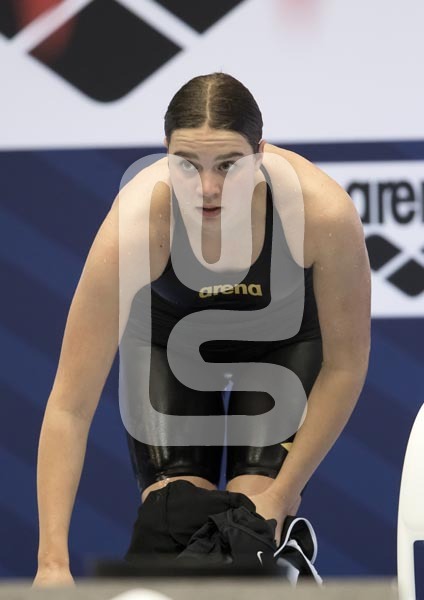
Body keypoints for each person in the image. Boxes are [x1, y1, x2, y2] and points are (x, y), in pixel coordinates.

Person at [34, 73, 370, 586]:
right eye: (187, 165)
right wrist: (51, 563)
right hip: (169, 338)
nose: (208, 188)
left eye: (228, 165)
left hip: (281, 345)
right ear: (165, 154)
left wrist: (280, 497)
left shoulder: (320, 212)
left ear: (260, 155)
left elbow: (345, 366)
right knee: (170, 523)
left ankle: (282, 554)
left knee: (245, 538)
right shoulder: (136, 227)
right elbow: (69, 405)